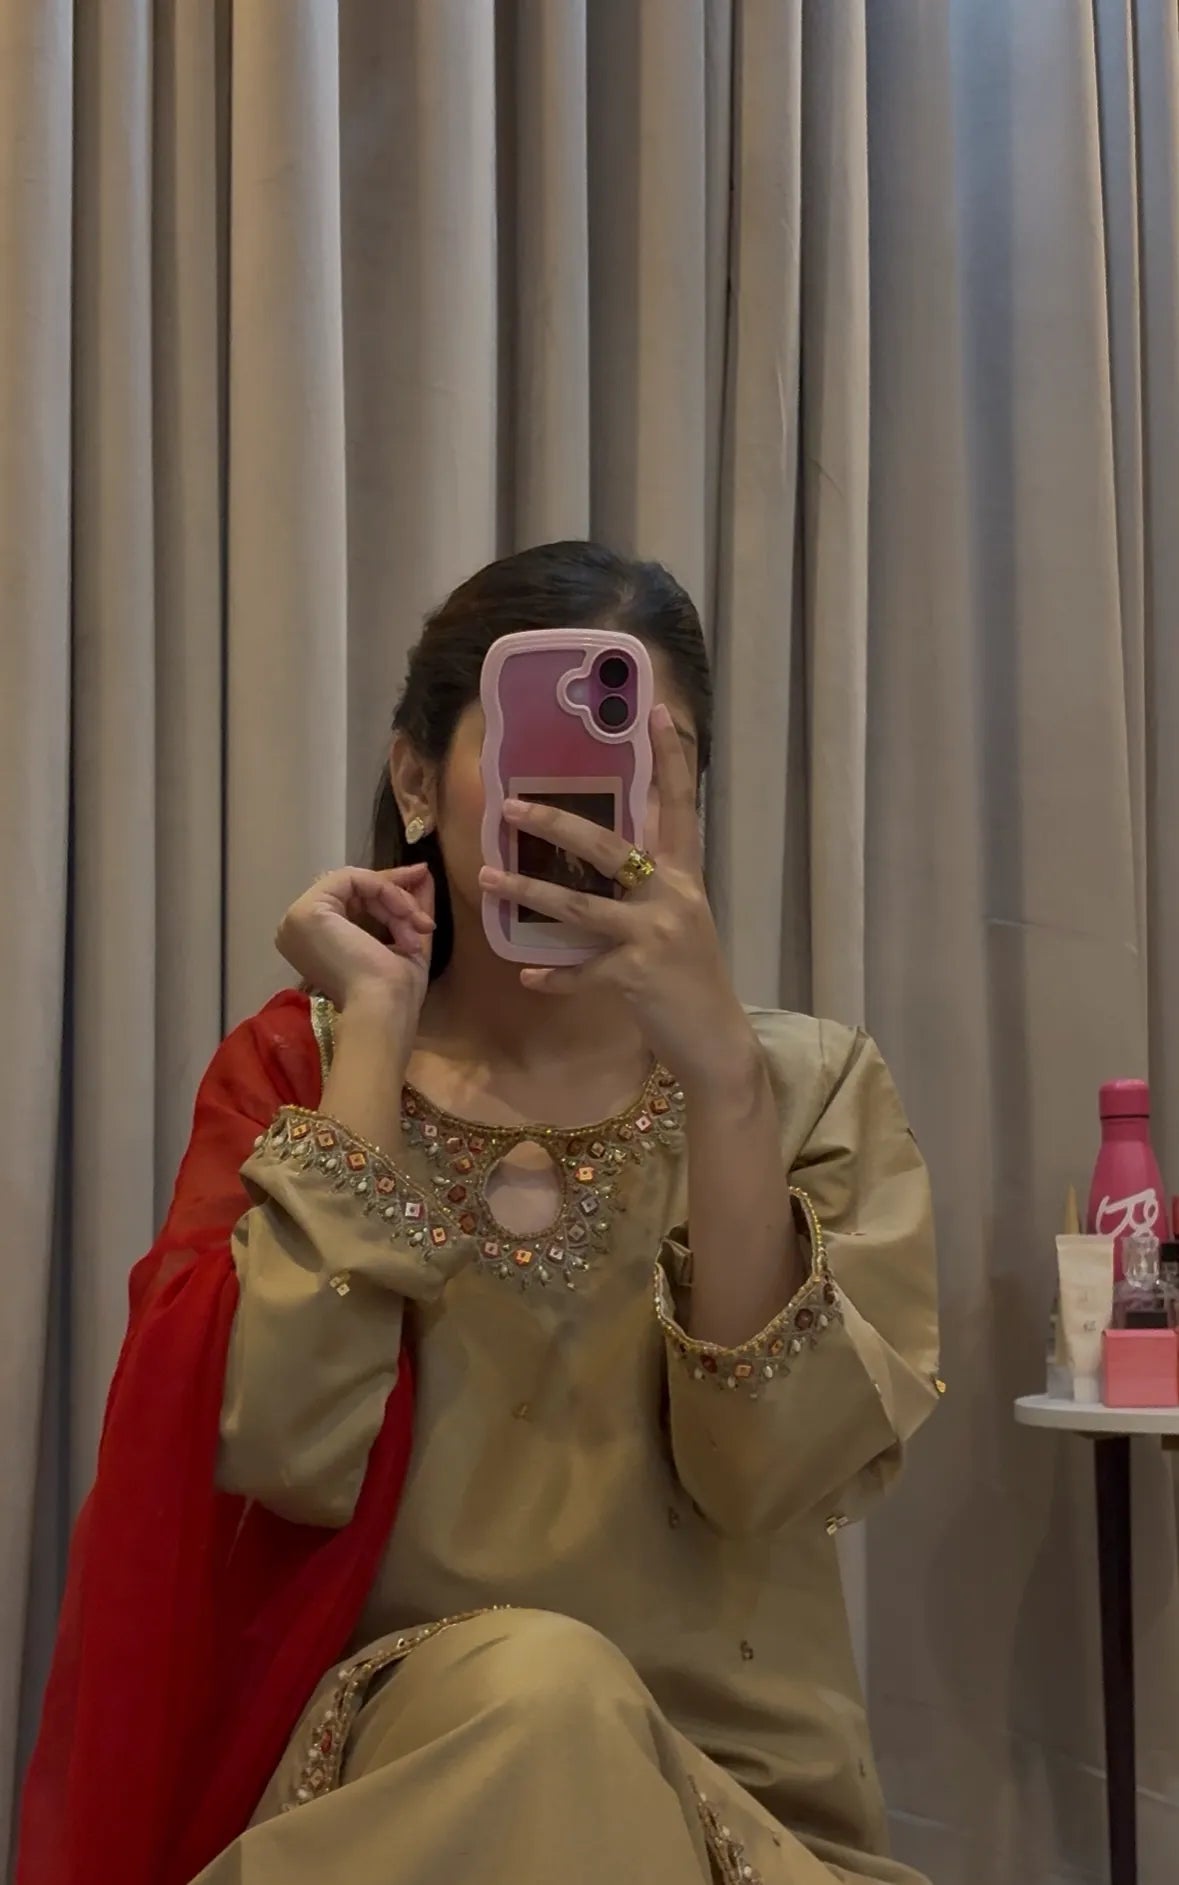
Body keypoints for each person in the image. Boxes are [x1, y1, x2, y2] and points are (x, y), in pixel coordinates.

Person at [19, 542, 941, 1885]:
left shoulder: (806, 1087)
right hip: (397, 1789)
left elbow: (772, 1476)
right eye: (532, 759)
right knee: (541, 1694)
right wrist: (376, 1043)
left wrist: (723, 1086)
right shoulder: (304, 1070)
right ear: (411, 781)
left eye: (645, 765)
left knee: (569, 1706)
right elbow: (284, 1445)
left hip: (731, 1818)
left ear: (691, 802)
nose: (585, 813)